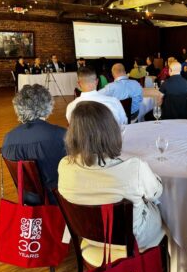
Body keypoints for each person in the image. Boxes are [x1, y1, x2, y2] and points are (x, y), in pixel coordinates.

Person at [58, 101, 164, 251]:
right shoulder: (135, 167)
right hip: (132, 241)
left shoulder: (64, 165)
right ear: (112, 131)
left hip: (88, 236)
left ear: (73, 134)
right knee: (163, 210)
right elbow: (156, 193)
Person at [1, 84, 66, 204]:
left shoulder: (7, 139)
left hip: (28, 200)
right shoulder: (61, 135)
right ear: (47, 105)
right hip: (59, 200)